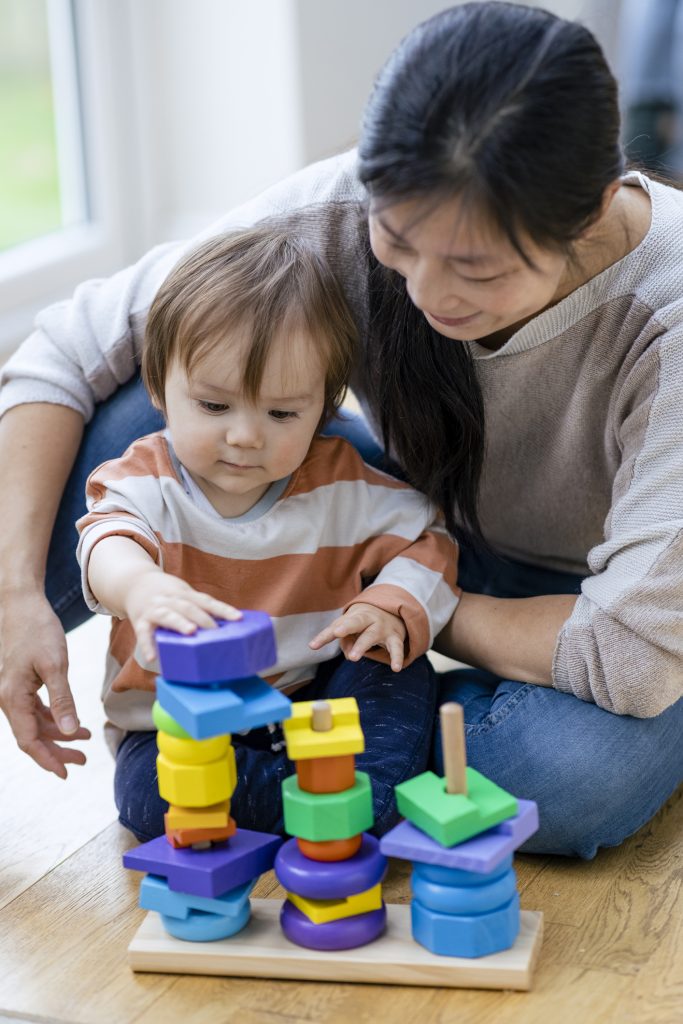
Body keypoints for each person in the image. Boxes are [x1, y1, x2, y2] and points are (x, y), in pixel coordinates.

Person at [0, 1, 680, 858]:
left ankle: (338, 706)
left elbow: (631, 650)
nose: (427, 294)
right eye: (397, 243)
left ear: (586, 216)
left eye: (474, 268)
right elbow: (64, 351)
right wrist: (14, 590)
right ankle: (343, 717)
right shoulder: (340, 208)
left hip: (601, 599)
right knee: (154, 407)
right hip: (403, 528)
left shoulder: (668, 312)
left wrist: (417, 601)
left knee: (565, 774)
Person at [74, 226, 458, 839]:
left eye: (282, 413)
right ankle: (334, 805)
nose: (246, 436)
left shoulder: (342, 485)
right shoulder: (145, 482)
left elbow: (428, 539)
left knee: (392, 662)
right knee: (149, 802)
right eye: (215, 406)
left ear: (325, 407)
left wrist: (390, 604)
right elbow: (106, 543)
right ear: (159, 389)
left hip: (318, 699)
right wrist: (140, 587)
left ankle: (350, 795)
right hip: (179, 729)